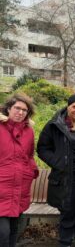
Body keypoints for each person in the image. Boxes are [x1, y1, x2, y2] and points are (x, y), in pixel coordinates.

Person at [37, 94, 75, 247]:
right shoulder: (55, 124)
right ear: (68, 106)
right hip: (65, 177)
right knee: (67, 211)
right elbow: (43, 148)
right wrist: (58, 163)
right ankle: (64, 242)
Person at [0, 93, 38, 247]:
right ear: (9, 108)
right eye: (17, 108)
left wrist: (31, 170)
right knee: (3, 233)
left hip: (20, 188)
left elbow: (29, 155)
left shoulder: (29, 131)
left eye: (25, 110)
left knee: (14, 231)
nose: (20, 112)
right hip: (2, 187)